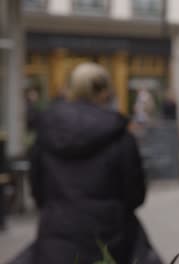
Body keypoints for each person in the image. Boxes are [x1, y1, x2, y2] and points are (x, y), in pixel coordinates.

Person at [24, 63, 159, 264]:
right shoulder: (120, 134)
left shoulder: (47, 130)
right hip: (110, 239)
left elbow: (37, 189)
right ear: (105, 92)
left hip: (56, 236)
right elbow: (135, 194)